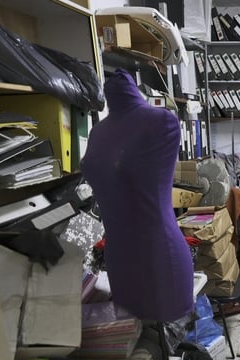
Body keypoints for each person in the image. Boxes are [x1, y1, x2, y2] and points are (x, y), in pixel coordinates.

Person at [82, 68, 194, 324]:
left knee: (160, 330)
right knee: (132, 331)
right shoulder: (97, 132)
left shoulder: (162, 121)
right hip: (119, 258)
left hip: (159, 254)